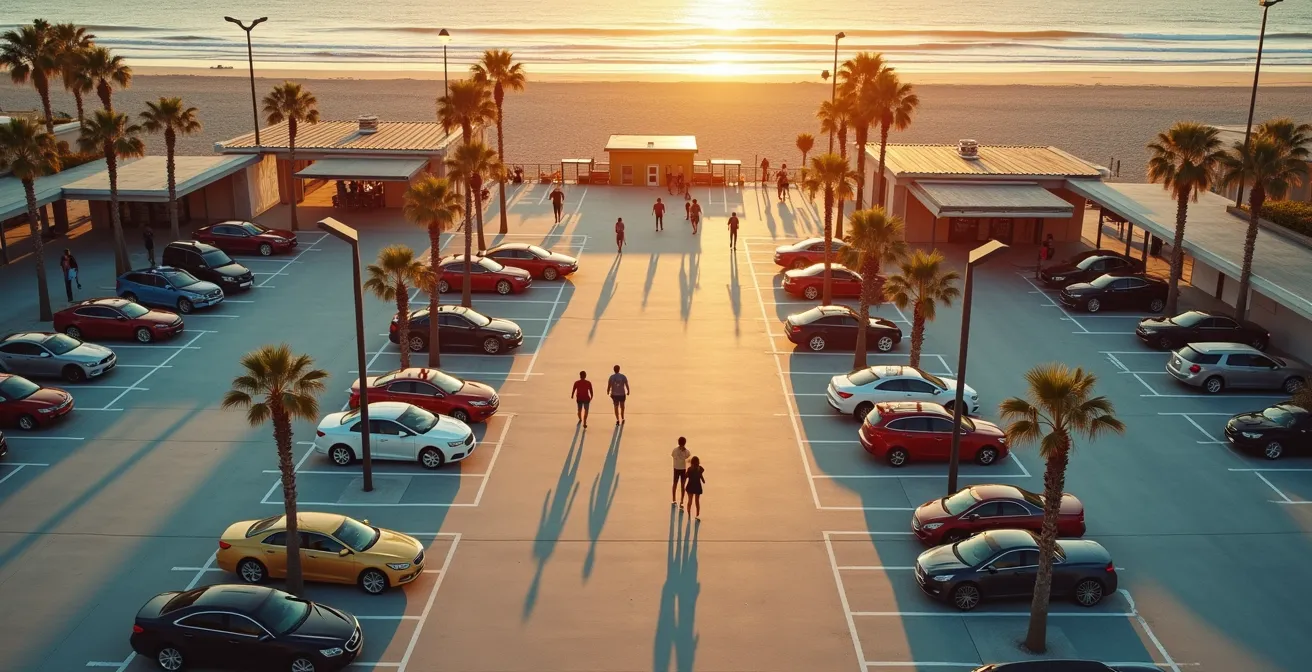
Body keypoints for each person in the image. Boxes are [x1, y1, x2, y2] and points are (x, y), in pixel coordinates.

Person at [672, 437, 691, 505]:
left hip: (681, 469)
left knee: (681, 485)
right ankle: (675, 499)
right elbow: (687, 457)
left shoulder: (684, 451)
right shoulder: (677, 450)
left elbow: (688, 456)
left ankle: (680, 500)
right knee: (676, 484)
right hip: (678, 469)